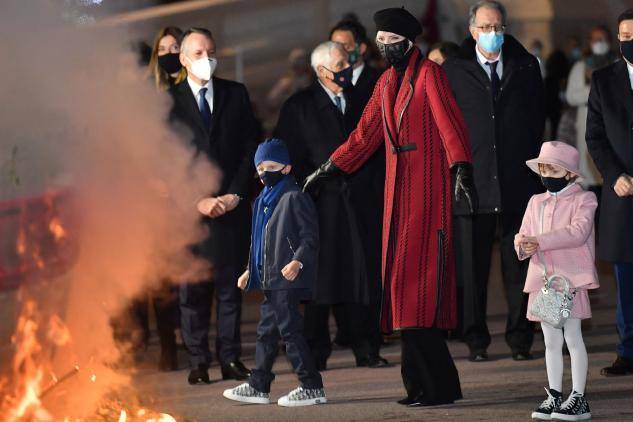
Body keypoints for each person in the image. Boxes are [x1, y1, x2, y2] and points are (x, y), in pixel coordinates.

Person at [304, 7, 475, 406]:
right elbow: (365, 136)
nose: (384, 48)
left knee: (416, 289)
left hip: (427, 190)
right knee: (401, 290)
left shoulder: (430, 75)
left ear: (407, 42)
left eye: (390, 42)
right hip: (397, 192)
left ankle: (428, 386)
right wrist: (328, 168)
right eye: (380, 41)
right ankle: (431, 385)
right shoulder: (385, 83)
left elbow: (451, 124)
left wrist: (462, 167)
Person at [443, 0, 544, 362]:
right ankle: (476, 341)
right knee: (472, 270)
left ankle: (520, 338)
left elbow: (537, 119)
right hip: (472, 185)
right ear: (472, 31)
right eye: (486, 28)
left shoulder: (525, 66)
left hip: (517, 183)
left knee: (519, 264)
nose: (493, 34)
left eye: (498, 27)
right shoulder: (454, 71)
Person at [274, 41, 385, 370]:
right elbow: (287, 158)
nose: (347, 68)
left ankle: (367, 348)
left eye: (348, 61)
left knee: (360, 278)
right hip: (319, 205)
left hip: (360, 203)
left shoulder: (361, 99)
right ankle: (314, 352)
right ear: (321, 71)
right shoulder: (299, 106)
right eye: (339, 64)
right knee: (319, 283)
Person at [169, 27, 258, 384]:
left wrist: (235, 193)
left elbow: (249, 146)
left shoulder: (235, 94)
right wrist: (196, 199)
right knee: (193, 291)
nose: (206, 59)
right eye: (197, 54)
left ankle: (230, 357)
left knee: (229, 289)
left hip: (229, 207)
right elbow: (164, 159)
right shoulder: (168, 102)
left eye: (210, 52)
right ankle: (198, 361)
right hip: (190, 213)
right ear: (182, 59)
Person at [222, 139, 326, 407]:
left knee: (290, 333)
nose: (264, 172)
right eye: (260, 167)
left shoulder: (295, 197)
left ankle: (311, 386)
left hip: (285, 280)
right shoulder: (260, 202)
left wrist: (297, 261)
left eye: (271, 166)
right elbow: (257, 242)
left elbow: (310, 237)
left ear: (287, 168)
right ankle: (259, 386)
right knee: (266, 333)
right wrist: (249, 270)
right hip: (269, 279)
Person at [515, 142, 598, 421]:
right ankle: (554, 395)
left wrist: (538, 242)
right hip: (543, 281)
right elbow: (523, 234)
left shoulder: (585, 200)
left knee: (573, 338)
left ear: (570, 173)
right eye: (543, 168)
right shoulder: (535, 202)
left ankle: (578, 398)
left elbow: (577, 232)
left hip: (570, 283)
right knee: (550, 342)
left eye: (552, 169)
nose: (546, 174)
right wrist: (523, 246)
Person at [329, 17, 388, 365]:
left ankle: (371, 336)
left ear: (360, 48)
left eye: (345, 46)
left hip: (371, 188)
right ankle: (347, 330)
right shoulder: (322, 88)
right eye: (334, 46)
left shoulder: (375, 82)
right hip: (337, 195)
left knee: (370, 268)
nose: (340, 53)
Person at [586, 8, 633, 377]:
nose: (627, 41)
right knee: (626, 278)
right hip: (623, 194)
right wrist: (614, 174)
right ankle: (628, 350)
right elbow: (595, 137)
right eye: (623, 35)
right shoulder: (603, 80)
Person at [566, 25, 619, 190]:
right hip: (587, 121)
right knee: (590, 168)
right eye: (596, 39)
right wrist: (597, 90)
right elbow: (571, 96)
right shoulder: (581, 67)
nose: (599, 43)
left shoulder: (619, 64)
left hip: (614, 122)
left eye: (602, 39)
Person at [147, 26, 187, 90]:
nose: (168, 52)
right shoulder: (149, 85)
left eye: (174, 47)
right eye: (162, 49)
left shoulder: (194, 84)